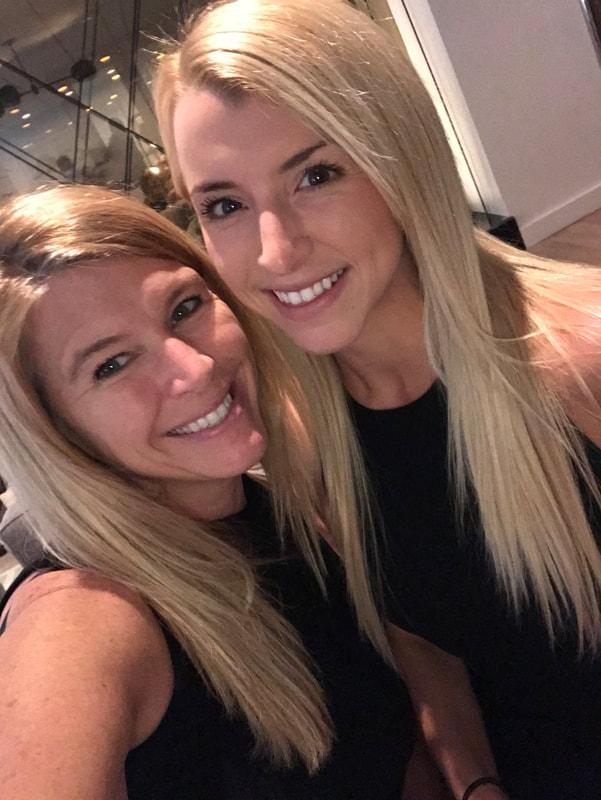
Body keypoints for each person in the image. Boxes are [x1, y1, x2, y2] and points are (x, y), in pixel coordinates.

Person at [153, 1, 601, 798]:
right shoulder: (302, 434)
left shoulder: (578, 360)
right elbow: (422, 641)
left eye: (315, 175)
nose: (276, 250)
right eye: (223, 205)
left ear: (400, 159)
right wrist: (475, 782)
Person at [0, 184, 415, 799]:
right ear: (53, 428)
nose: (194, 369)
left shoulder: (263, 503)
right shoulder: (82, 622)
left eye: (184, 308)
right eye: (111, 365)